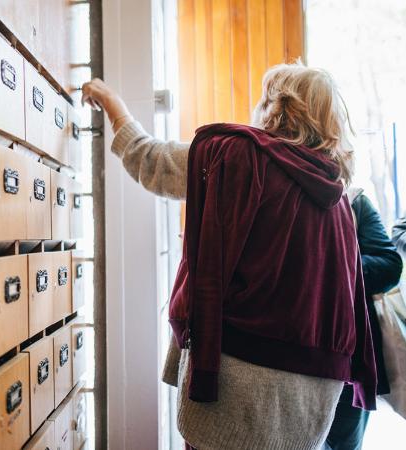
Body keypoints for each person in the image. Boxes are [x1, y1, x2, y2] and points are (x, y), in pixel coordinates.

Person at [82, 62, 378, 450]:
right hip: (313, 397)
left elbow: (149, 160)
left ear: (277, 106)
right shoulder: (338, 200)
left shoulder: (238, 157)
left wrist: (112, 102)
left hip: (236, 383)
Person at [324, 190, 402, 450]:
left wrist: (336, 266)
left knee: (345, 443)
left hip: (351, 356)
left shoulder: (355, 200)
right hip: (291, 355)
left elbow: (389, 265)